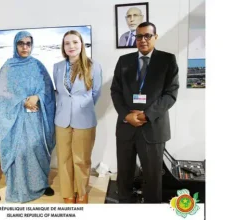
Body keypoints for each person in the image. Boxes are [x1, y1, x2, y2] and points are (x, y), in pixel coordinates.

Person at [111, 22, 179, 203]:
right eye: (139, 36)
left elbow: (170, 94)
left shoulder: (167, 60)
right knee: (124, 173)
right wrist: (126, 115)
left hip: (153, 127)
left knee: (152, 176)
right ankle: (125, 206)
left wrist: (146, 114)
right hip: (126, 127)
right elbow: (115, 91)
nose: (143, 40)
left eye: (147, 35)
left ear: (155, 37)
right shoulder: (124, 61)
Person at [0, 31, 56, 203]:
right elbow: (2, 94)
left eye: (28, 43)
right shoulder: (8, 67)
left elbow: (48, 90)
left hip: (36, 118)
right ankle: (20, 187)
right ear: (15, 45)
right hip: (17, 120)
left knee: (38, 149)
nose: (25, 47)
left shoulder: (38, 65)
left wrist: (37, 97)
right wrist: (21, 101)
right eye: (21, 43)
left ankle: (41, 184)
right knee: (21, 152)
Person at [53, 30, 102, 204]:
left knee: (81, 160)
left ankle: (81, 193)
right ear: (63, 47)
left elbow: (96, 92)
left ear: (81, 44)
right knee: (64, 158)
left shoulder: (93, 65)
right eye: (67, 43)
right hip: (62, 120)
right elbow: (59, 93)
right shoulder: (57, 67)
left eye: (75, 42)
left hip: (84, 119)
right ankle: (68, 194)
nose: (71, 46)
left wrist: (82, 107)